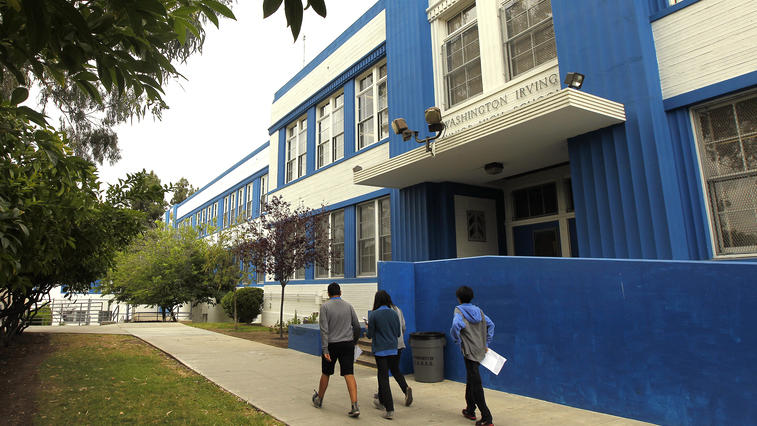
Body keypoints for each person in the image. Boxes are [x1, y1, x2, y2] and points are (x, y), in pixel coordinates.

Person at [312, 282, 362, 417]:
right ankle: (354, 405)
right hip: (347, 344)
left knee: (326, 373)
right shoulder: (349, 306)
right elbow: (356, 326)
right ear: (340, 293)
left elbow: (324, 330)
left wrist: (325, 349)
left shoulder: (325, 307)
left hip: (332, 345)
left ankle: (319, 399)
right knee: (349, 373)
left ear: (328, 294)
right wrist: (354, 341)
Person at [450, 285, 495, 426]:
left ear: (458, 298)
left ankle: (487, 417)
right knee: (471, 379)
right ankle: (470, 409)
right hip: (480, 351)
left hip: (469, 352)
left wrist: (457, 340)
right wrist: (486, 342)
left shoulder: (459, 311)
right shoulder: (479, 311)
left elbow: (455, 326)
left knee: (476, 384)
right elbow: (491, 324)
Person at [372, 295, 413, 406]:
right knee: (395, 370)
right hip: (398, 344)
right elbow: (403, 326)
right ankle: (405, 389)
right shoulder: (397, 310)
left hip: (386, 345)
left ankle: (383, 398)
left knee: (383, 373)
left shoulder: (380, 313)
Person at [366, 290, 400, 420]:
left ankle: (389, 408)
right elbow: (397, 333)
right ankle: (381, 401)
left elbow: (370, 335)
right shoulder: (394, 313)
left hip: (380, 350)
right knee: (384, 376)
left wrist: (370, 328)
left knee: (383, 378)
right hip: (393, 349)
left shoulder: (374, 315)